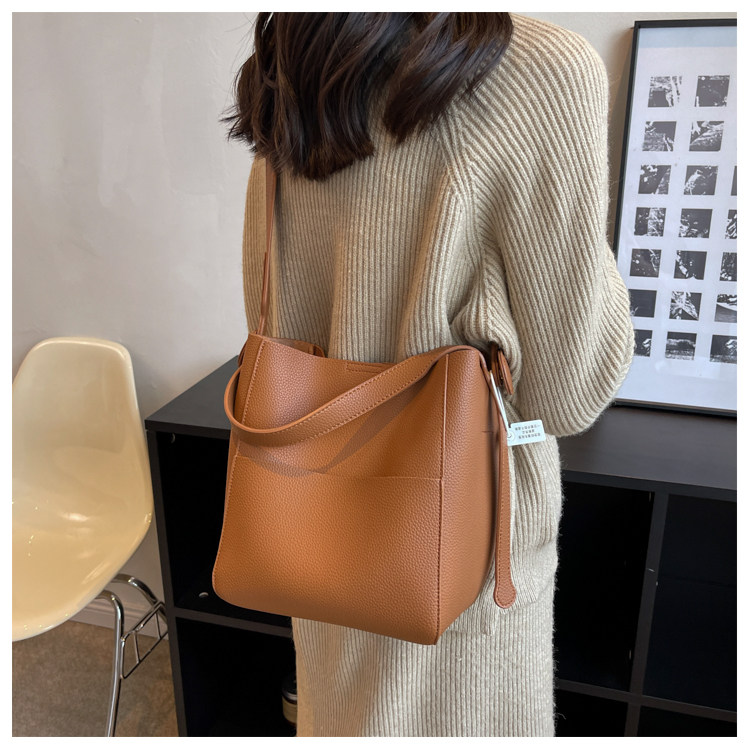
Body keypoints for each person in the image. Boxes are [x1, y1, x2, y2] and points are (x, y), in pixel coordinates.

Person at [222, 12, 634, 737]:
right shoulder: (539, 71)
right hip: (461, 579)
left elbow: (272, 318)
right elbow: (569, 392)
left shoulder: (296, 60)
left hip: (317, 535)